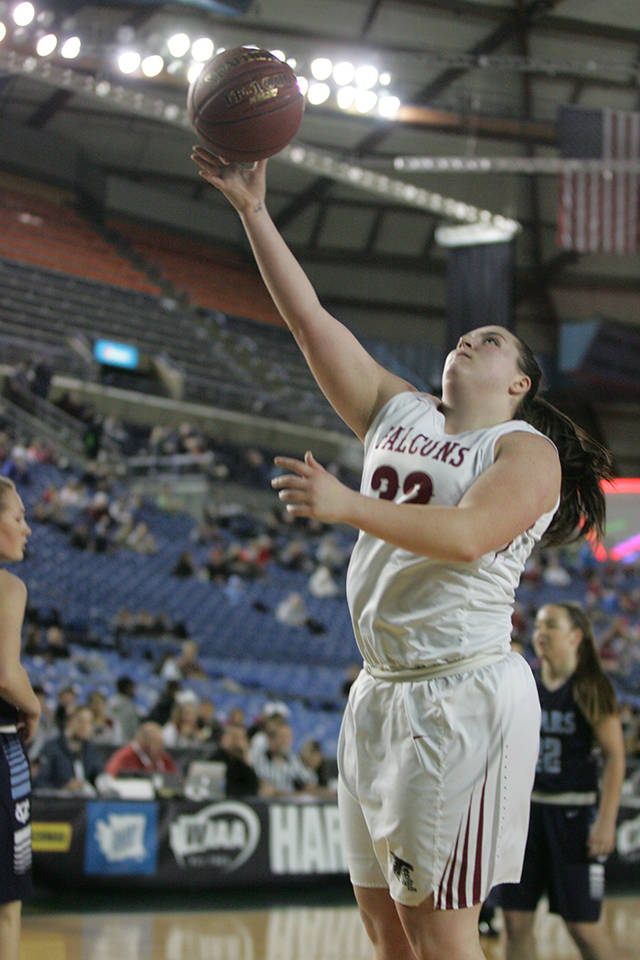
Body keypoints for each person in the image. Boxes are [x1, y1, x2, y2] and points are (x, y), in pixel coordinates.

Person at [191, 148, 612, 960]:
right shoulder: (399, 411)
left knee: (440, 934)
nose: (469, 337)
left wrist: (347, 504)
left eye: (491, 340)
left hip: (463, 697)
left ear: (520, 384)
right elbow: (308, 321)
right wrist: (253, 211)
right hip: (379, 691)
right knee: (386, 930)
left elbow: (467, 537)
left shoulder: (524, 452)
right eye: (467, 333)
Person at [499, 604, 625, 960]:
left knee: (582, 926)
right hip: (524, 817)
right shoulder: (525, 682)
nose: (541, 633)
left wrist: (606, 820)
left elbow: (615, 756)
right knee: (514, 922)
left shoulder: (591, 687)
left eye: (551, 625)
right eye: (538, 626)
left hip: (572, 816)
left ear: (575, 637)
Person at [0, 478, 39, 960]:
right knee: (6, 906)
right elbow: (6, 675)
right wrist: (33, 706)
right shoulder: (8, 587)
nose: (26, 529)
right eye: (17, 517)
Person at [34, 706, 103, 795]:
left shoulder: (90, 750)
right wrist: (63, 790)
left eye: (89, 722)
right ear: (69, 721)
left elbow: (99, 776)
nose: (85, 727)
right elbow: (39, 783)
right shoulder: (51, 748)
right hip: (58, 801)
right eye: (80, 721)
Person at [104, 722, 178, 777]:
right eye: (155, 742)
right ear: (143, 743)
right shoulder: (125, 757)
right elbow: (111, 775)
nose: (160, 748)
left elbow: (175, 778)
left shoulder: (164, 759)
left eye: (161, 743)